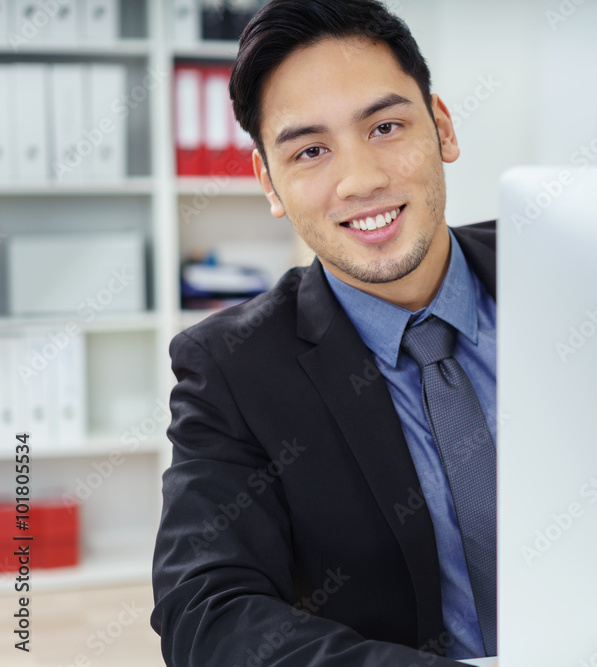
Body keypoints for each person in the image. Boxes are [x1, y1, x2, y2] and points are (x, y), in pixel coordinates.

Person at [150, 1, 499, 664]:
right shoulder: (231, 369)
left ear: (443, 128)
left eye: (386, 127)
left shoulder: (571, 267)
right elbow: (205, 612)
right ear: (269, 182)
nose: (361, 180)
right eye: (310, 150)